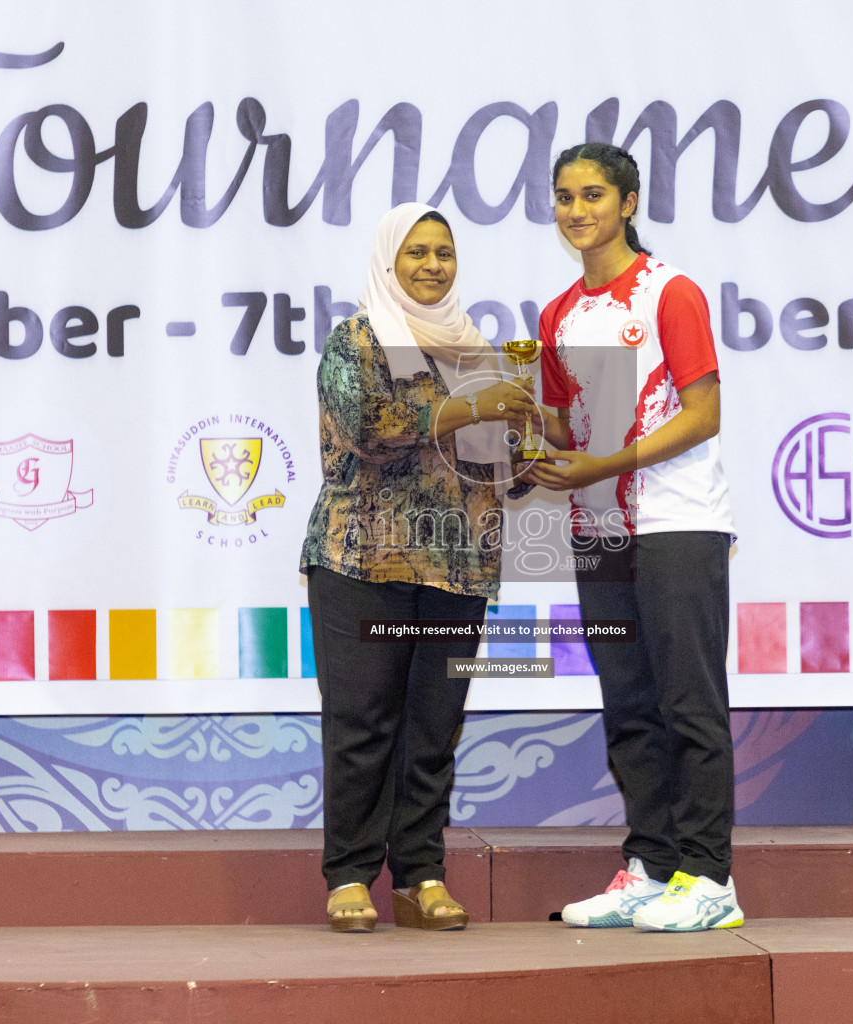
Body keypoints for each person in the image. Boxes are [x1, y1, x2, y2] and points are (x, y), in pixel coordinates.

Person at [300, 202, 536, 932]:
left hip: (459, 567)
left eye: (444, 252)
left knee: (434, 727)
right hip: (361, 563)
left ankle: (421, 873)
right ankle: (348, 876)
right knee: (363, 724)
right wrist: (470, 410)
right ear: (388, 262)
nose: (433, 266)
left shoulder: (479, 351)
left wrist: (530, 434)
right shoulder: (357, 341)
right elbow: (371, 431)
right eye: (417, 253)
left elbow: (511, 477)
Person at [527, 143, 742, 932]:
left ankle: (709, 876)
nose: (576, 211)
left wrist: (603, 463)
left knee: (690, 705)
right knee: (628, 706)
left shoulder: (670, 292)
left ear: (628, 201)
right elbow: (560, 424)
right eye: (562, 197)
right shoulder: (556, 315)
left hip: (677, 522)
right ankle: (652, 866)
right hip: (600, 528)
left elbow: (703, 413)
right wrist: (511, 410)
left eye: (592, 195)